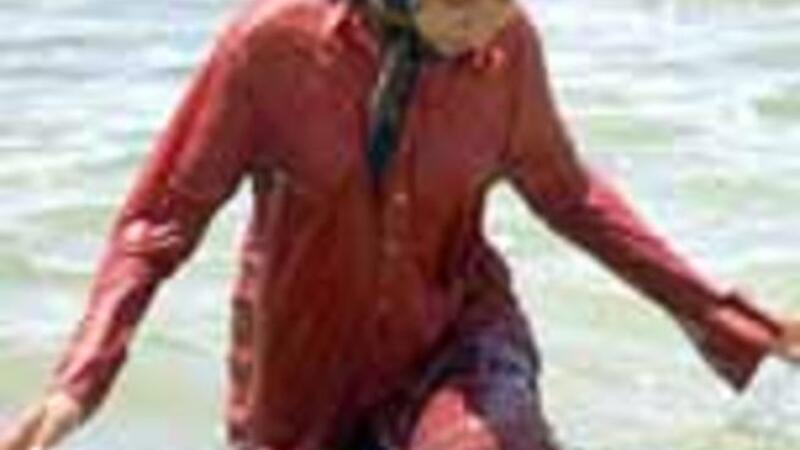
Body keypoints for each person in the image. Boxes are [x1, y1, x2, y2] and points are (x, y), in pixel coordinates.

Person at [2, 0, 799, 448]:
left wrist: (741, 323)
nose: (488, 27)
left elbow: (572, 198)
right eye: (464, 6)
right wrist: (79, 385)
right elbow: (157, 224)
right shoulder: (268, 51)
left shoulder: (506, 47)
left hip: (457, 337)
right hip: (301, 378)